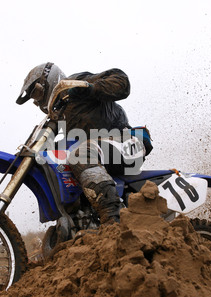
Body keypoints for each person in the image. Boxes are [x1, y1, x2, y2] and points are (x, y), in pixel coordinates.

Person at [16, 62, 150, 224]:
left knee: (80, 155)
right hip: (101, 154)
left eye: (37, 94)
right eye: (34, 100)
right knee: (60, 161)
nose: (38, 103)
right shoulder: (60, 115)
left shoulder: (76, 84)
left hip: (129, 141)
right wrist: (31, 153)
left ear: (48, 80)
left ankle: (114, 220)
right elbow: (56, 147)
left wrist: (90, 87)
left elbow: (121, 81)